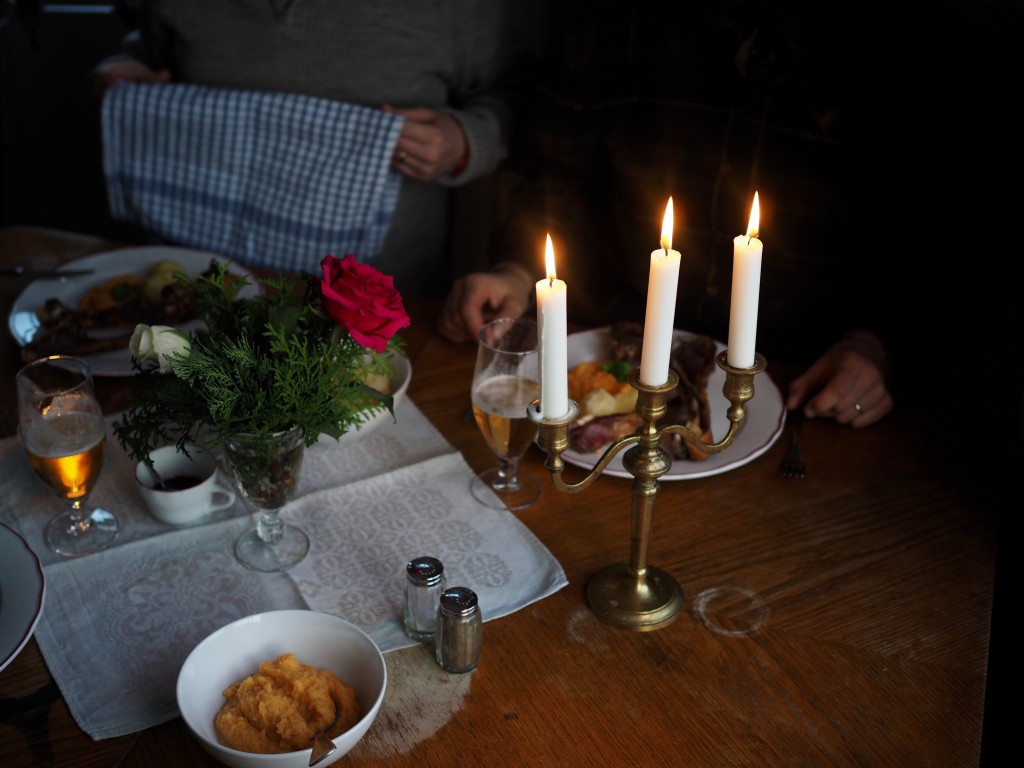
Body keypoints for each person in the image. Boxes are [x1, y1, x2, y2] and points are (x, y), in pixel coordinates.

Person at [439, 0, 993, 429]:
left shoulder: (916, 46)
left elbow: (949, 252)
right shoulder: (613, 20)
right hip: (600, 350)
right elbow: (557, 181)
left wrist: (877, 347)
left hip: (801, 383)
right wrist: (518, 271)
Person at [90, 0, 525, 299]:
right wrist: (123, 74)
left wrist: (463, 140)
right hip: (191, 291)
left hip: (378, 305)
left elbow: (514, 96)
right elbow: (151, 51)